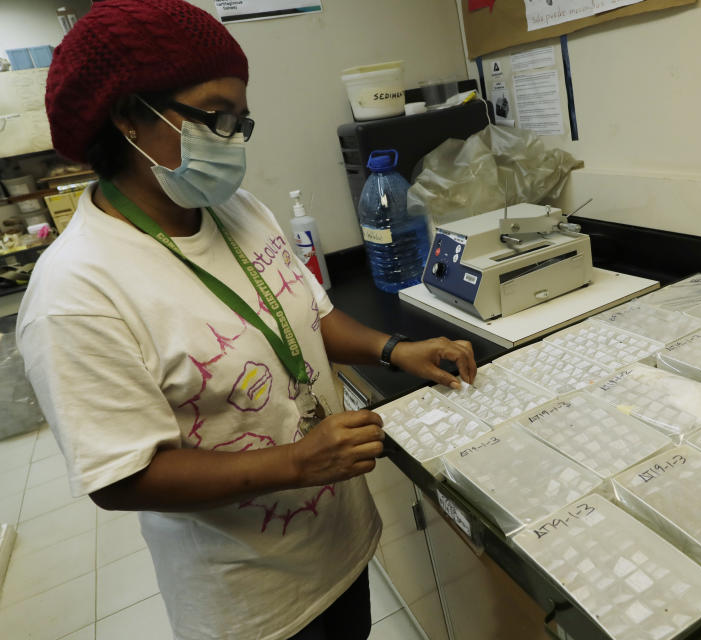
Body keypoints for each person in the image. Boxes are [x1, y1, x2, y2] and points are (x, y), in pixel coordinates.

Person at [16, 1, 477, 639]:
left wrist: (395, 348)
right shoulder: (77, 292)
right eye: (215, 115)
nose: (232, 137)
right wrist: (295, 463)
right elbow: (122, 477)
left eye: (241, 119)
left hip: (337, 548)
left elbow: (307, 318)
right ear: (128, 116)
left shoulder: (236, 210)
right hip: (254, 603)